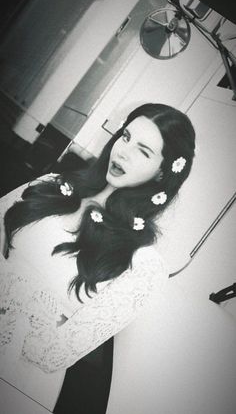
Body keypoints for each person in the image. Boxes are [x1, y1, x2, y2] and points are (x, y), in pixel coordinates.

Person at [0, 103, 196, 410]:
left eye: (143, 151)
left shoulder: (143, 266)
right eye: (126, 136)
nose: (123, 152)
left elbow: (52, 354)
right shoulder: (53, 184)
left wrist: (15, 290)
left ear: (162, 172)